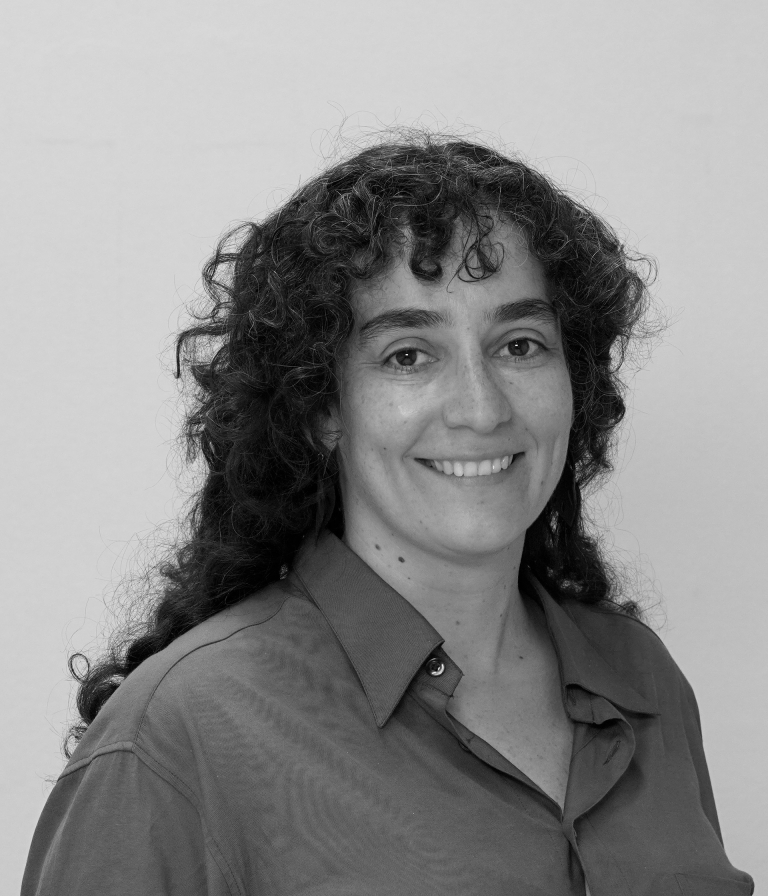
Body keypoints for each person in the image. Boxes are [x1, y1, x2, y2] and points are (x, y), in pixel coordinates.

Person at [22, 135, 753, 895]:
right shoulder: (176, 737)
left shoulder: (642, 679)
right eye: (408, 355)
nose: (481, 408)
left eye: (520, 344)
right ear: (321, 407)